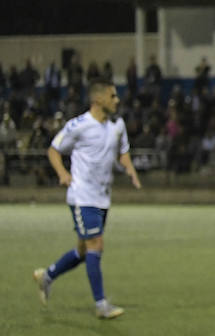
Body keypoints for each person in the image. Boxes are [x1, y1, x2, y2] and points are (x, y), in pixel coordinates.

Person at [33, 80, 142, 319]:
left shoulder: (117, 125)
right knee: (96, 244)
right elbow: (53, 150)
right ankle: (101, 305)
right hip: (82, 195)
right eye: (113, 96)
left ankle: (47, 276)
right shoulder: (79, 125)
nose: (117, 100)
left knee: (83, 250)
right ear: (98, 99)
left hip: (102, 197)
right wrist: (62, 173)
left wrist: (131, 170)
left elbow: (122, 152)